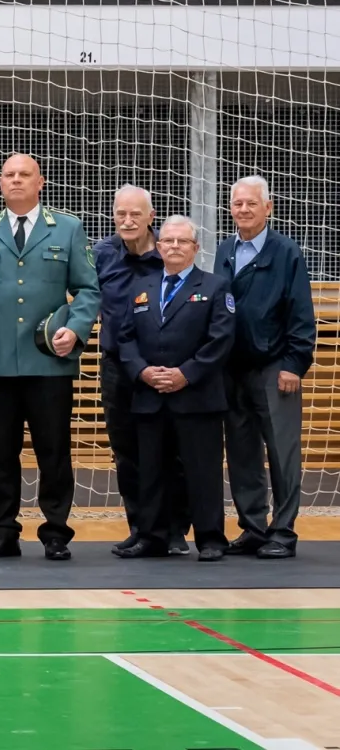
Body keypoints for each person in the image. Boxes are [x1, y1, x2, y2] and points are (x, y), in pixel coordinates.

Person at [0, 154, 100, 561]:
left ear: (41, 181)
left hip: (49, 361)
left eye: (25, 175)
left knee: (52, 450)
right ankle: (2, 532)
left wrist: (74, 329)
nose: (16, 181)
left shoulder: (69, 228)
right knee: (0, 451)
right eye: (9, 175)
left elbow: (88, 290)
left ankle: (56, 531)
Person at [111, 216, 235, 562]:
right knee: (151, 472)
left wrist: (185, 374)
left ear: (196, 248)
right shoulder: (142, 288)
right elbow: (125, 339)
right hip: (150, 397)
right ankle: (152, 536)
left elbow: (220, 340)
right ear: (159, 246)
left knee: (202, 472)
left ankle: (210, 538)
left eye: (183, 241)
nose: (175, 247)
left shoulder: (215, 287)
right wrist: (143, 372)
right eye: (168, 241)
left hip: (197, 397)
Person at [214, 176, 316, 559]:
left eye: (251, 204)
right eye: (237, 203)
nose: (243, 209)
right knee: (242, 455)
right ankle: (254, 528)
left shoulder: (286, 252)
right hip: (232, 370)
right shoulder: (224, 249)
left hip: (276, 369)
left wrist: (295, 364)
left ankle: (283, 531)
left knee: (282, 453)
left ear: (268, 207)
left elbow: (302, 314)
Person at [92, 185, 188, 555]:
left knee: (170, 450)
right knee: (126, 452)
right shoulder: (101, 255)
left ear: (152, 216)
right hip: (118, 367)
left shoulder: (169, 252)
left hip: (165, 368)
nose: (128, 221)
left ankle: (176, 529)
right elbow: (87, 297)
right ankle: (141, 528)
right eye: (121, 214)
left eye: (136, 214)